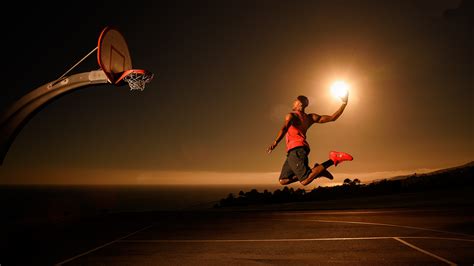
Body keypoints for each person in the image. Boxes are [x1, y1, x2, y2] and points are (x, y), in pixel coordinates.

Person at [267, 94, 353, 186]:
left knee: (305, 180)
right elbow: (333, 118)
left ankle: (333, 159)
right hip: (294, 151)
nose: (293, 103)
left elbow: (285, 128)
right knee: (283, 180)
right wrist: (344, 103)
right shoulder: (310, 118)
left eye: (294, 101)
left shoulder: (292, 115)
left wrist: (275, 142)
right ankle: (318, 171)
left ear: (299, 103)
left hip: (297, 149)